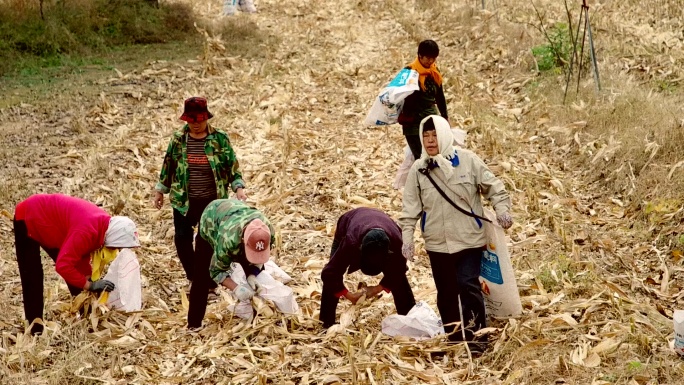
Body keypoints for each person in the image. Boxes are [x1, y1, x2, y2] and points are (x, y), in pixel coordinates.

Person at [399, 115, 513, 354]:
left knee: (468, 285)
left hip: (469, 239)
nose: (430, 141)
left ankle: (477, 339)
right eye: (425, 136)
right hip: (437, 243)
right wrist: (407, 239)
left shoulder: (469, 161)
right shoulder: (419, 170)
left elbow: (495, 188)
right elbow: (410, 209)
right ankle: (454, 337)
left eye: (434, 135)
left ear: (444, 135)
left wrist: (502, 211)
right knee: (446, 292)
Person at [154, 96, 247, 297]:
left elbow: (232, 166)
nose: (195, 124)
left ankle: (210, 284)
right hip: (183, 200)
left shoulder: (219, 138)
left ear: (206, 118)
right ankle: (195, 279)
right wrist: (160, 189)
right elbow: (168, 165)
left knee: (206, 243)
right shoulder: (179, 139)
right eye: (191, 120)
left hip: (212, 202)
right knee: (182, 240)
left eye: (199, 120)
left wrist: (238, 187)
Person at [13, 194, 140, 335]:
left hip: (54, 226)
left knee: (77, 276)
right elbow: (63, 266)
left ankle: (88, 317)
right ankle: (34, 329)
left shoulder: (103, 226)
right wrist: (90, 285)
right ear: (113, 238)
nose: (116, 250)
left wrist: (90, 283)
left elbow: (82, 255)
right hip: (28, 216)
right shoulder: (86, 230)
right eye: (116, 247)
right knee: (33, 277)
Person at [320, 208, 416, 328]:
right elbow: (330, 273)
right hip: (349, 222)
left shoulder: (397, 243)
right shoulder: (351, 242)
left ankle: (410, 319)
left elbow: (398, 271)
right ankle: (326, 322)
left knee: (399, 279)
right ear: (359, 250)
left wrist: (376, 289)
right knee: (334, 272)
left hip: (382, 225)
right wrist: (349, 295)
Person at [187, 199, 275, 329]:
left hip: (235, 216)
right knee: (202, 275)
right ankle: (194, 324)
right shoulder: (228, 240)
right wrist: (236, 288)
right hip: (211, 219)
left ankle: (254, 319)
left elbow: (260, 256)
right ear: (243, 241)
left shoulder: (268, 232)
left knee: (251, 275)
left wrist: (253, 273)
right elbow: (216, 271)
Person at [398, 40, 449, 160]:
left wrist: (445, 116)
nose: (430, 61)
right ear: (419, 56)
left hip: (430, 118)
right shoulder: (409, 72)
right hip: (413, 122)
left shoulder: (434, 72)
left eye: (433, 58)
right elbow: (398, 96)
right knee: (420, 158)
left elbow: (440, 96)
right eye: (428, 58)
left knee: (434, 154)